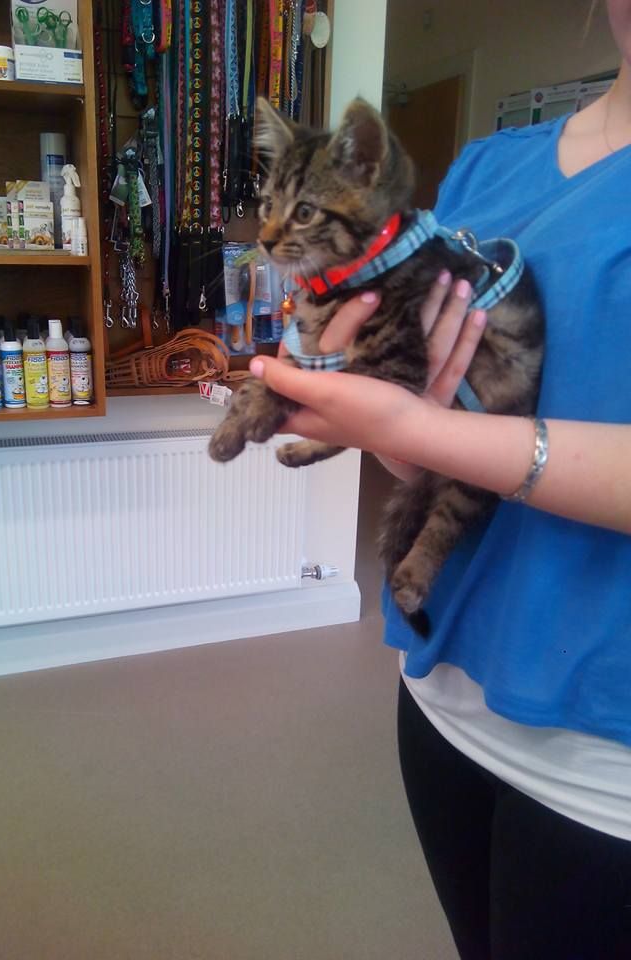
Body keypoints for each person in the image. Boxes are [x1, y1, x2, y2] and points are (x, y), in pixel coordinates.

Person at [247, 2, 631, 957]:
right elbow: (417, 419)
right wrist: (389, 429)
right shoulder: (486, 167)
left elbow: (432, 426)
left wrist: (426, 432)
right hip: (445, 691)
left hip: (605, 759)